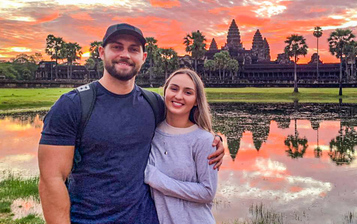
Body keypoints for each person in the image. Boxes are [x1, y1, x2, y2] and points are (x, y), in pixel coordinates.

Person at [38, 23, 224, 224]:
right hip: (88, 219)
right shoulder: (73, 105)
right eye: (117, 47)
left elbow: (184, 123)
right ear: (102, 52)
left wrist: (214, 140)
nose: (125, 54)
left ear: (143, 57)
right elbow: (52, 179)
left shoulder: (153, 104)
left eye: (133, 49)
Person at [145, 69, 217, 224]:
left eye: (188, 92)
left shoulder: (204, 140)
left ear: (197, 100)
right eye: (174, 89)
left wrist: (154, 178)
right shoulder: (151, 132)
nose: (178, 96)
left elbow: (207, 192)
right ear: (165, 91)